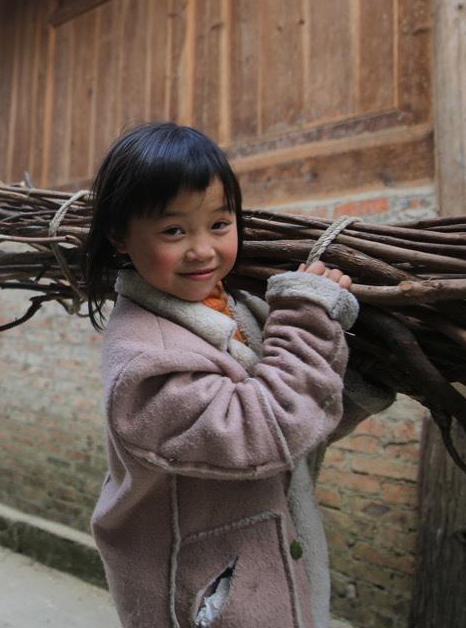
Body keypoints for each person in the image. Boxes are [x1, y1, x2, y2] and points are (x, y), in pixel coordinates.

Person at [81, 122, 392, 628]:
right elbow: (263, 431)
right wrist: (306, 316)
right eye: (174, 231)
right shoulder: (143, 361)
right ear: (120, 236)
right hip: (207, 595)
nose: (202, 249)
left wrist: (357, 382)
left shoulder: (236, 308)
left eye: (219, 224)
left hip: (261, 569)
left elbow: (297, 420)